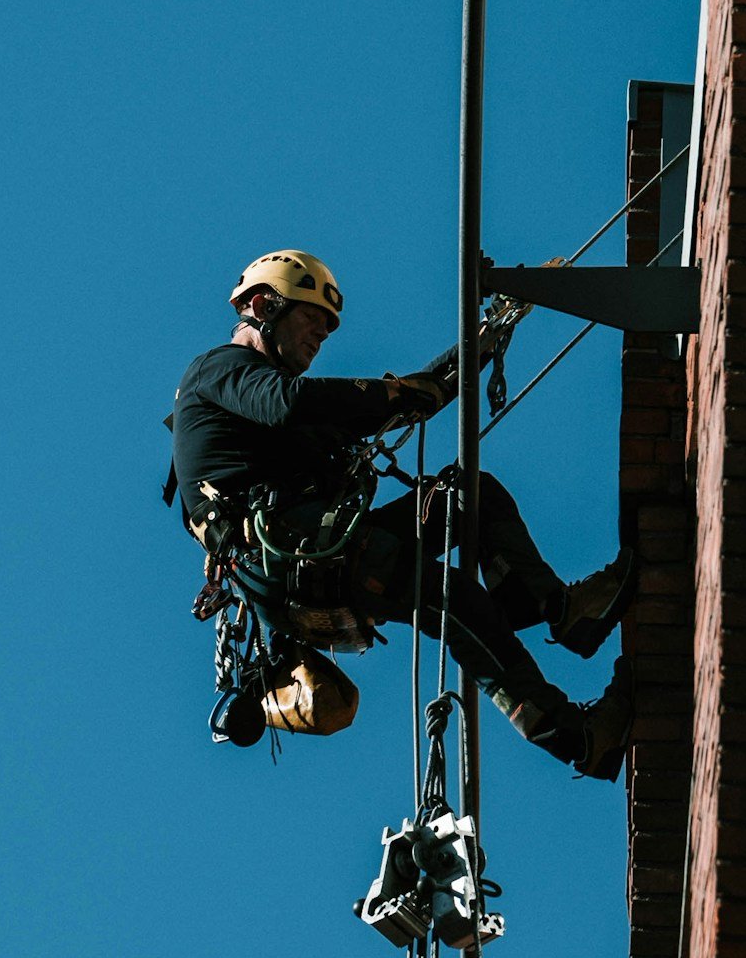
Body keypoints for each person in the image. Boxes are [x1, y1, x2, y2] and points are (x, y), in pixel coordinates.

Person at [170, 248, 639, 777]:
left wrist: (483, 339)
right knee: (454, 599)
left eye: (326, 331)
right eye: (310, 320)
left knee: (469, 495)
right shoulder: (222, 371)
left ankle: (559, 611)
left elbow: (405, 400)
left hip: (321, 549)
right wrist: (390, 393)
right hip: (294, 558)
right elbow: (295, 402)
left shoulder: (277, 411)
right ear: (262, 305)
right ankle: (578, 740)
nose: (319, 339)